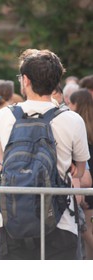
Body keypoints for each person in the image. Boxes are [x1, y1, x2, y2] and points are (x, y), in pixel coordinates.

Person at [0, 48, 90, 260]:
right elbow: (80, 170)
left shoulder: (3, 117)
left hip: (12, 220)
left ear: (25, 80)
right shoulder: (72, 119)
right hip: (60, 221)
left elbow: (4, 159)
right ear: (56, 81)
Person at [69, 88, 93, 259]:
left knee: (88, 232)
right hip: (87, 185)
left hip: (86, 184)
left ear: (76, 104)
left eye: (70, 103)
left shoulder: (78, 128)